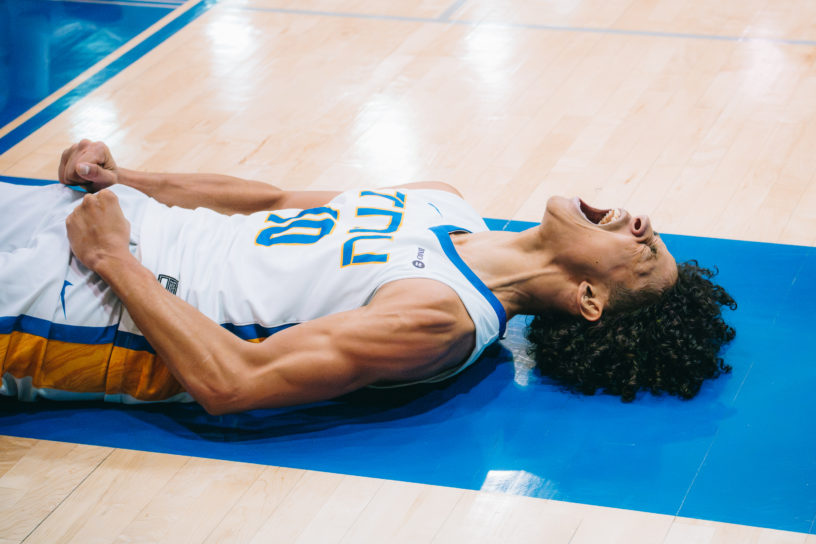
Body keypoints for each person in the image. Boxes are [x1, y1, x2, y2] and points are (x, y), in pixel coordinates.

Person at [0, 140, 735, 414]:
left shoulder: (442, 320)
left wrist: (113, 259)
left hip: (68, 304)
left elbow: (235, 382)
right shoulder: (442, 200)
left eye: (647, 251)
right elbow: (274, 203)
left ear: (589, 300)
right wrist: (122, 177)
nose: (643, 224)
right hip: (86, 217)